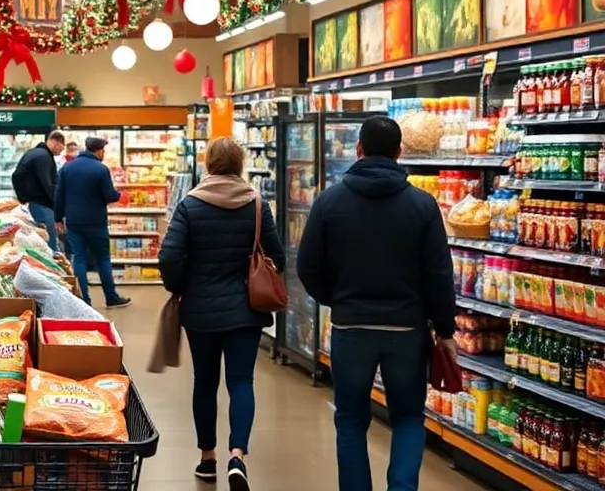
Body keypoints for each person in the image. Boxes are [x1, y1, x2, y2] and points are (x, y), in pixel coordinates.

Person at [297, 115, 456, 491]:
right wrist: (445, 329)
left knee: (351, 420)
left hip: (351, 330)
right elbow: (438, 275)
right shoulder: (422, 205)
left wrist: (336, 298)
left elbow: (307, 267)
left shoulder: (328, 202)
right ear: (400, 152)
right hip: (407, 331)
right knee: (407, 418)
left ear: (358, 149)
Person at [158, 137, 286, 491]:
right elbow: (278, 254)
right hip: (246, 309)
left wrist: (179, 285)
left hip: (200, 309)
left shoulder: (190, 204)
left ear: (209, 164)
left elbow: (169, 256)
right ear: (241, 164)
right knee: (242, 381)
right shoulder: (257, 204)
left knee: (205, 381)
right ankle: (237, 456)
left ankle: (207, 457)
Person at [54, 136, 131, 309]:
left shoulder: (67, 167)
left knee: (78, 258)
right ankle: (111, 298)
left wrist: (58, 218)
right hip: (96, 221)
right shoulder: (100, 169)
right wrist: (121, 195)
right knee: (103, 258)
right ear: (99, 150)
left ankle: (83, 300)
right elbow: (109, 195)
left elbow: (59, 195)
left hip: (73, 221)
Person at [12, 130, 66, 251]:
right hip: (42, 204)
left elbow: (16, 175)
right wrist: (57, 205)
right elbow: (47, 184)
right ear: (55, 142)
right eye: (61, 148)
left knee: (43, 239)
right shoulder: (44, 157)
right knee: (49, 241)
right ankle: (52, 268)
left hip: (35, 203)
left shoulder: (35, 153)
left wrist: (23, 197)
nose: (60, 152)